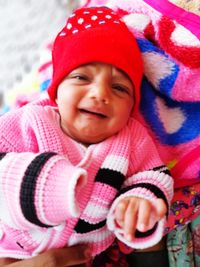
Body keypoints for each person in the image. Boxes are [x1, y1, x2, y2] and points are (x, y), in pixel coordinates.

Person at [0, 5, 173, 264]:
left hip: (91, 252)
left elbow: (153, 174)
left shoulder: (131, 138)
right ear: (56, 92)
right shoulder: (30, 121)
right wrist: (49, 185)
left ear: (131, 108)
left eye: (119, 87)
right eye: (81, 77)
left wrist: (140, 201)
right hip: (16, 247)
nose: (100, 94)